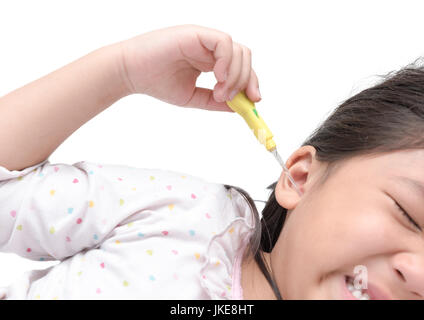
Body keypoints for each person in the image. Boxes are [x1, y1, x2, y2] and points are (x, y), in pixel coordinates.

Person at [1, 24, 424, 300]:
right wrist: (123, 71)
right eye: (408, 214)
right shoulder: (186, 221)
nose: (419, 275)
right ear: (299, 178)